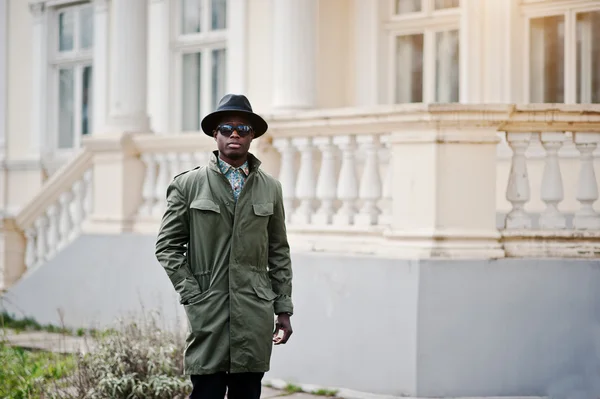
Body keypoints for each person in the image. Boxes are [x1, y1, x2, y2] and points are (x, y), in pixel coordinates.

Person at [155, 94, 294, 399]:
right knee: (206, 392)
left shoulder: (271, 188)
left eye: (243, 128)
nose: (235, 134)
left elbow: (279, 251)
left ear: (252, 135)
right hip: (209, 311)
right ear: (215, 134)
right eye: (227, 128)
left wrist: (283, 308)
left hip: (254, 312)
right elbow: (167, 246)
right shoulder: (188, 185)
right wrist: (193, 294)